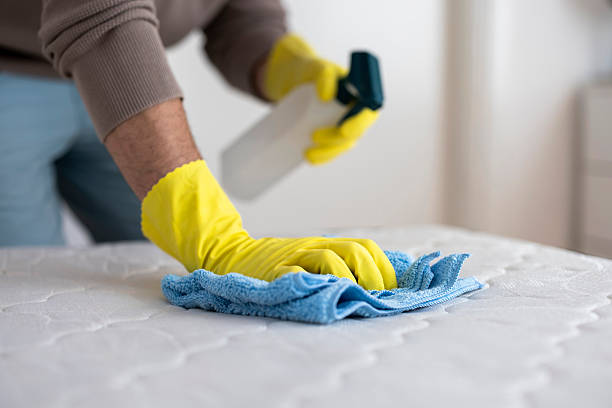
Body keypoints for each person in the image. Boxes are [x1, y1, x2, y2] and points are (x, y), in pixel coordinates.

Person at [0, 0, 396, 290]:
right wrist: (216, 239)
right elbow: (100, 13)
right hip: (13, 75)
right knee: (25, 280)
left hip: (111, 81)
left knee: (149, 270)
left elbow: (238, 16)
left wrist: (289, 70)